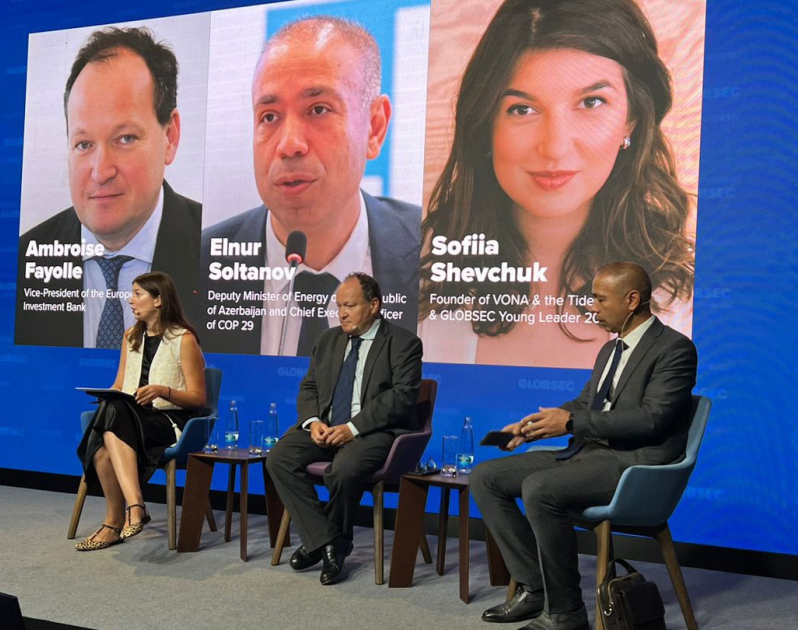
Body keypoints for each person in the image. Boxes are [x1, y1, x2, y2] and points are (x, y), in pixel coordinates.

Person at [418, 0, 696, 369]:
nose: (554, 147)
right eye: (522, 109)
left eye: (591, 102)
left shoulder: (682, 304)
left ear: (630, 121)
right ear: (485, 124)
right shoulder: (417, 282)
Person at [470, 262, 697, 630]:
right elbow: (588, 402)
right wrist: (541, 424)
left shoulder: (675, 349)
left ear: (632, 300)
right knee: (485, 476)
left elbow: (651, 418)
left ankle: (566, 612)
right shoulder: (610, 350)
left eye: (599, 299)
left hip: (635, 464)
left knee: (540, 488)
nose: (592, 306)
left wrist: (572, 422)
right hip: (590, 453)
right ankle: (537, 587)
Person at [200, 16, 420, 356]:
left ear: (374, 128)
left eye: (318, 109)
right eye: (269, 116)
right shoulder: (196, 263)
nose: (289, 144)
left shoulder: (432, 253)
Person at [16, 27, 202, 349]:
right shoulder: (23, 259)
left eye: (125, 138)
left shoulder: (214, 251)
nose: (101, 172)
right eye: (84, 143)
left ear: (170, 136)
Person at [265, 272, 422, 584]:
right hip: (325, 427)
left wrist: (353, 427)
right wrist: (313, 422)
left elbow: (402, 398)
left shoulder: (403, 342)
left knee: (344, 469)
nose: (342, 313)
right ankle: (327, 543)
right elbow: (309, 387)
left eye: (350, 305)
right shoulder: (328, 339)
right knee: (278, 459)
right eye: (338, 306)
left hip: (375, 431)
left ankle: (326, 545)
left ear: (374, 305)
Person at [74, 271, 207, 550]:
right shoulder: (130, 337)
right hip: (131, 418)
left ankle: (123, 515)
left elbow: (199, 399)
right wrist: (105, 396)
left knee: (106, 434)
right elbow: (120, 384)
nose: (130, 300)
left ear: (158, 300)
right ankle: (126, 514)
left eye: (137, 294)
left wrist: (163, 391)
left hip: (168, 421)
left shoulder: (184, 340)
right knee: (108, 428)